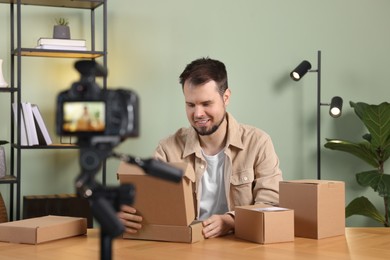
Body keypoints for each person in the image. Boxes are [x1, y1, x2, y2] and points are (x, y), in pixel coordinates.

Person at [118, 57, 283, 238]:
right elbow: (150, 203)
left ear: (225, 97)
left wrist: (231, 220)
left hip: (241, 244)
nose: (197, 114)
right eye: (190, 104)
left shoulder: (258, 142)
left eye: (206, 104)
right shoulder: (167, 148)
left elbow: (271, 204)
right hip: (186, 246)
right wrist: (127, 214)